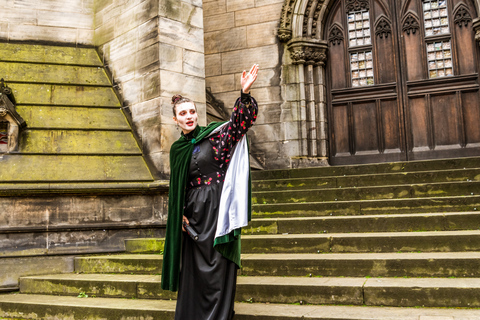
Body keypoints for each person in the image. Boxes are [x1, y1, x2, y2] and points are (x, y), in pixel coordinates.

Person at [161, 64, 259, 320]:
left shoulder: (214, 137)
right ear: (175, 119)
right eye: (183, 113)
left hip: (218, 211)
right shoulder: (177, 150)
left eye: (192, 111)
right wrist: (180, 214)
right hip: (193, 218)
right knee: (195, 273)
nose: (189, 116)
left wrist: (244, 94)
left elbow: (239, 124)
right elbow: (177, 187)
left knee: (217, 270)